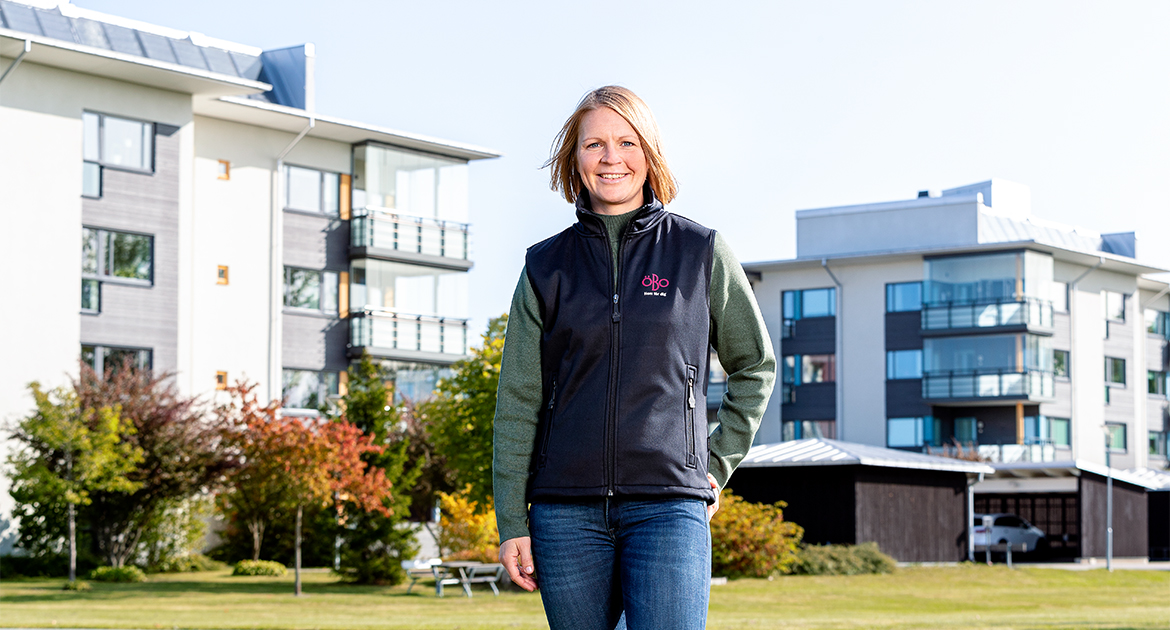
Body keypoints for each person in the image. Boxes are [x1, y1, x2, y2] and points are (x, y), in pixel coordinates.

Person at [493, 85, 775, 630]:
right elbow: (519, 398)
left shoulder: (701, 252)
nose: (610, 158)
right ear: (574, 159)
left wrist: (715, 464)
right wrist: (511, 521)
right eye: (594, 144)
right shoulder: (545, 267)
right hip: (564, 513)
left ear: (649, 153)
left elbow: (754, 366)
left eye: (626, 141)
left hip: (669, 507)